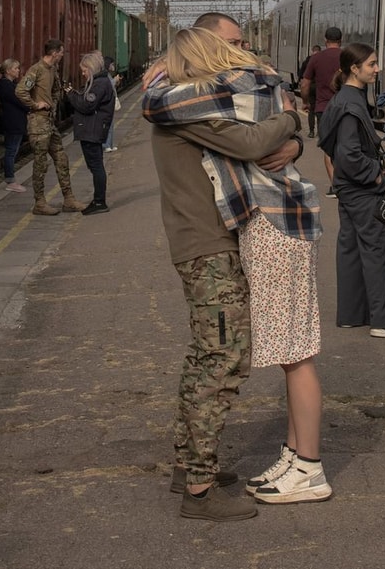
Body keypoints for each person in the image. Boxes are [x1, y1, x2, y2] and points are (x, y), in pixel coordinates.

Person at [143, 28, 330, 505]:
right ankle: (199, 484)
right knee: (222, 359)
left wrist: (294, 142)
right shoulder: (184, 107)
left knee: (207, 356)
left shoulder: (192, 104)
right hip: (208, 246)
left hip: (212, 243)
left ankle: (190, 465)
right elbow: (249, 144)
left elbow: (257, 137)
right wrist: (291, 119)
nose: (237, 59)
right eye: (229, 48)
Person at [318, 43, 385, 339]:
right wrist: (380, 178)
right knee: (376, 250)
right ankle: (383, 320)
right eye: (371, 64)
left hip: (348, 189)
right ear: (354, 69)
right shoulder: (352, 103)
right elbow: (349, 155)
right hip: (363, 190)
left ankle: (351, 314)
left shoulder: (344, 99)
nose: (377, 69)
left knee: (351, 250)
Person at [15, 39, 88, 216]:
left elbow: (56, 90)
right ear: (54, 53)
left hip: (49, 122)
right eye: (61, 53)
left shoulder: (52, 70)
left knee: (61, 159)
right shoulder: (36, 70)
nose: (62, 56)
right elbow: (20, 91)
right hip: (38, 123)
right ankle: (39, 203)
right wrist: (35, 104)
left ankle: (69, 199)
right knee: (40, 164)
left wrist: (53, 103)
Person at [67, 50, 116, 214]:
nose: (82, 73)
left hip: (92, 130)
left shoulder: (100, 84)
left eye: (84, 70)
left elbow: (87, 105)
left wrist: (71, 95)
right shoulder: (100, 82)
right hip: (93, 129)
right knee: (95, 166)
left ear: (91, 68)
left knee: (96, 166)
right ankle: (98, 200)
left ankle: (99, 202)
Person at [300, 28, 344, 192]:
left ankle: (335, 186)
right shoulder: (346, 57)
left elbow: (305, 84)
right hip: (345, 107)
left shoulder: (316, 58)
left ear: (325, 40)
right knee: (345, 145)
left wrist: (305, 102)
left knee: (328, 148)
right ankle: (346, 182)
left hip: (323, 108)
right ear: (341, 40)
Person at [0, 58, 30, 193]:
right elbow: (19, 100)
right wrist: (31, 106)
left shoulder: (11, 84)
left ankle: (11, 179)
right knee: (11, 151)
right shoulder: (5, 85)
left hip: (16, 122)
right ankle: (10, 181)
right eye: (15, 68)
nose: (18, 71)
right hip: (13, 122)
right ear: (8, 70)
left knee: (13, 151)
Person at [297, 45, 322, 138]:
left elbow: (301, 73)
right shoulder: (322, 60)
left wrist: (300, 82)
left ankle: (311, 131)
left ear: (312, 51)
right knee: (320, 111)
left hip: (310, 87)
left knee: (311, 110)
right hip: (319, 87)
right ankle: (319, 132)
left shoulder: (308, 60)